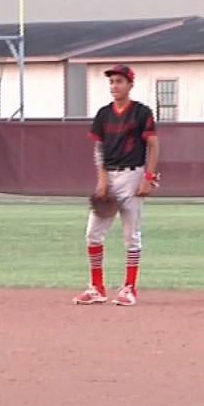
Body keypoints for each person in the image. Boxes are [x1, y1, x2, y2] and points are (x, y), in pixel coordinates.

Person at [72, 64, 160, 307]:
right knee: (93, 233)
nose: (114, 86)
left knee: (131, 234)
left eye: (120, 81)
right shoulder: (103, 114)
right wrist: (101, 180)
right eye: (112, 82)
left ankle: (129, 288)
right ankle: (97, 288)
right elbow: (99, 148)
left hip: (133, 175)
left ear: (130, 84)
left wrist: (148, 177)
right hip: (108, 176)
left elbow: (153, 145)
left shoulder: (141, 112)